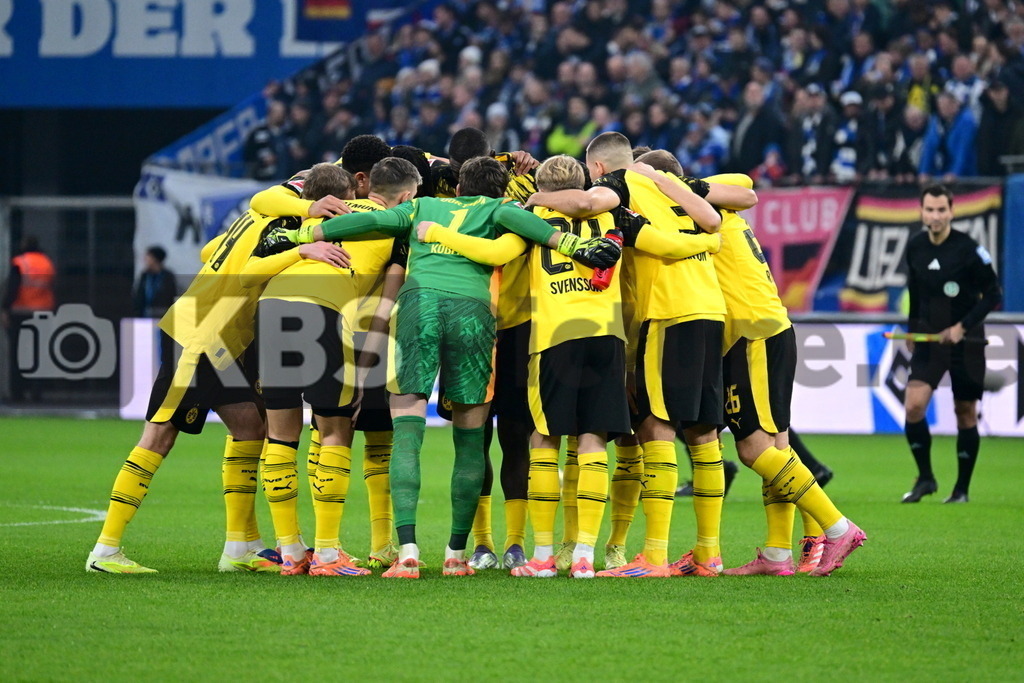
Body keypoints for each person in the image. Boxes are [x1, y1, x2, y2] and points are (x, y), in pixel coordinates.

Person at [258, 156, 621, 578]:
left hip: (419, 306)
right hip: (473, 312)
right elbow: (538, 231)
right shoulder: (502, 210)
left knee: (407, 433)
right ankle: (456, 554)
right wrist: (578, 247)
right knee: (471, 438)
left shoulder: (421, 205)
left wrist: (303, 233)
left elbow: (363, 225)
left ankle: (408, 552)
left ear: (458, 186)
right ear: (498, 189)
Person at [84, 174, 351, 574]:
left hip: (221, 338)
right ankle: (105, 550)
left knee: (249, 426)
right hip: (202, 334)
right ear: (326, 201)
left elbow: (209, 249)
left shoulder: (259, 215)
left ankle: (239, 547)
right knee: (158, 435)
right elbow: (245, 275)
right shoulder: (286, 226)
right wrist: (302, 252)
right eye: (345, 203)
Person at [527, 132, 730, 577]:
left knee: (629, 435)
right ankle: (612, 548)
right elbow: (735, 199)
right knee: (655, 436)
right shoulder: (652, 199)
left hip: (641, 325)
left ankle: (624, 551)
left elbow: (579, 209)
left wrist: (535, 196)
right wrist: (704, 230)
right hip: (656, 326)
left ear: (598, 171)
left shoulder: (610, 202)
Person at [240, 162, 406, 577]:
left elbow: (258, 214)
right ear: (405, 196)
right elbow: (385, 304)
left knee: (279, 433)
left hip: (272, 306)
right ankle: (329, 556)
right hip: (322, 309)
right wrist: (367, 361)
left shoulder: (309, 217)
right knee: (334, 429)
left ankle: (291, 552)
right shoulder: (397, 223)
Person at [902, 185, 1002, 504]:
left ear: (951, 211)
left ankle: (961, 490)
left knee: (965, 412)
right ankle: (926, 479)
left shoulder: (969, 250)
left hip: (967, 341)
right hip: (929, 342)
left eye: (941, 210)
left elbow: (994, 295)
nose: (935, 216)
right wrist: (912, 332)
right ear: (921, 212)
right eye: (929, 210)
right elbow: (915, 295)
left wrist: (962, 326)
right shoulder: (915, 246)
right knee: (914, 406)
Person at [2, 235, 55, 402]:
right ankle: (37, 392)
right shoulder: (47, 263)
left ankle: (17, 392)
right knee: (38, 356)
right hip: (43, 313)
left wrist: (4, 309)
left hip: (20, 314)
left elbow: (13, 288)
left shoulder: (20, 263)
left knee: (18, 355)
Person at [132, 246, 177, 319]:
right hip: (145, 314)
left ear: (155, 259)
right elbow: (139, 294)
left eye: (148, 257)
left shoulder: (167, 276)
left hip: (162, 314)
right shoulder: (145, 275)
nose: (145, 259)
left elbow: (171, 295)